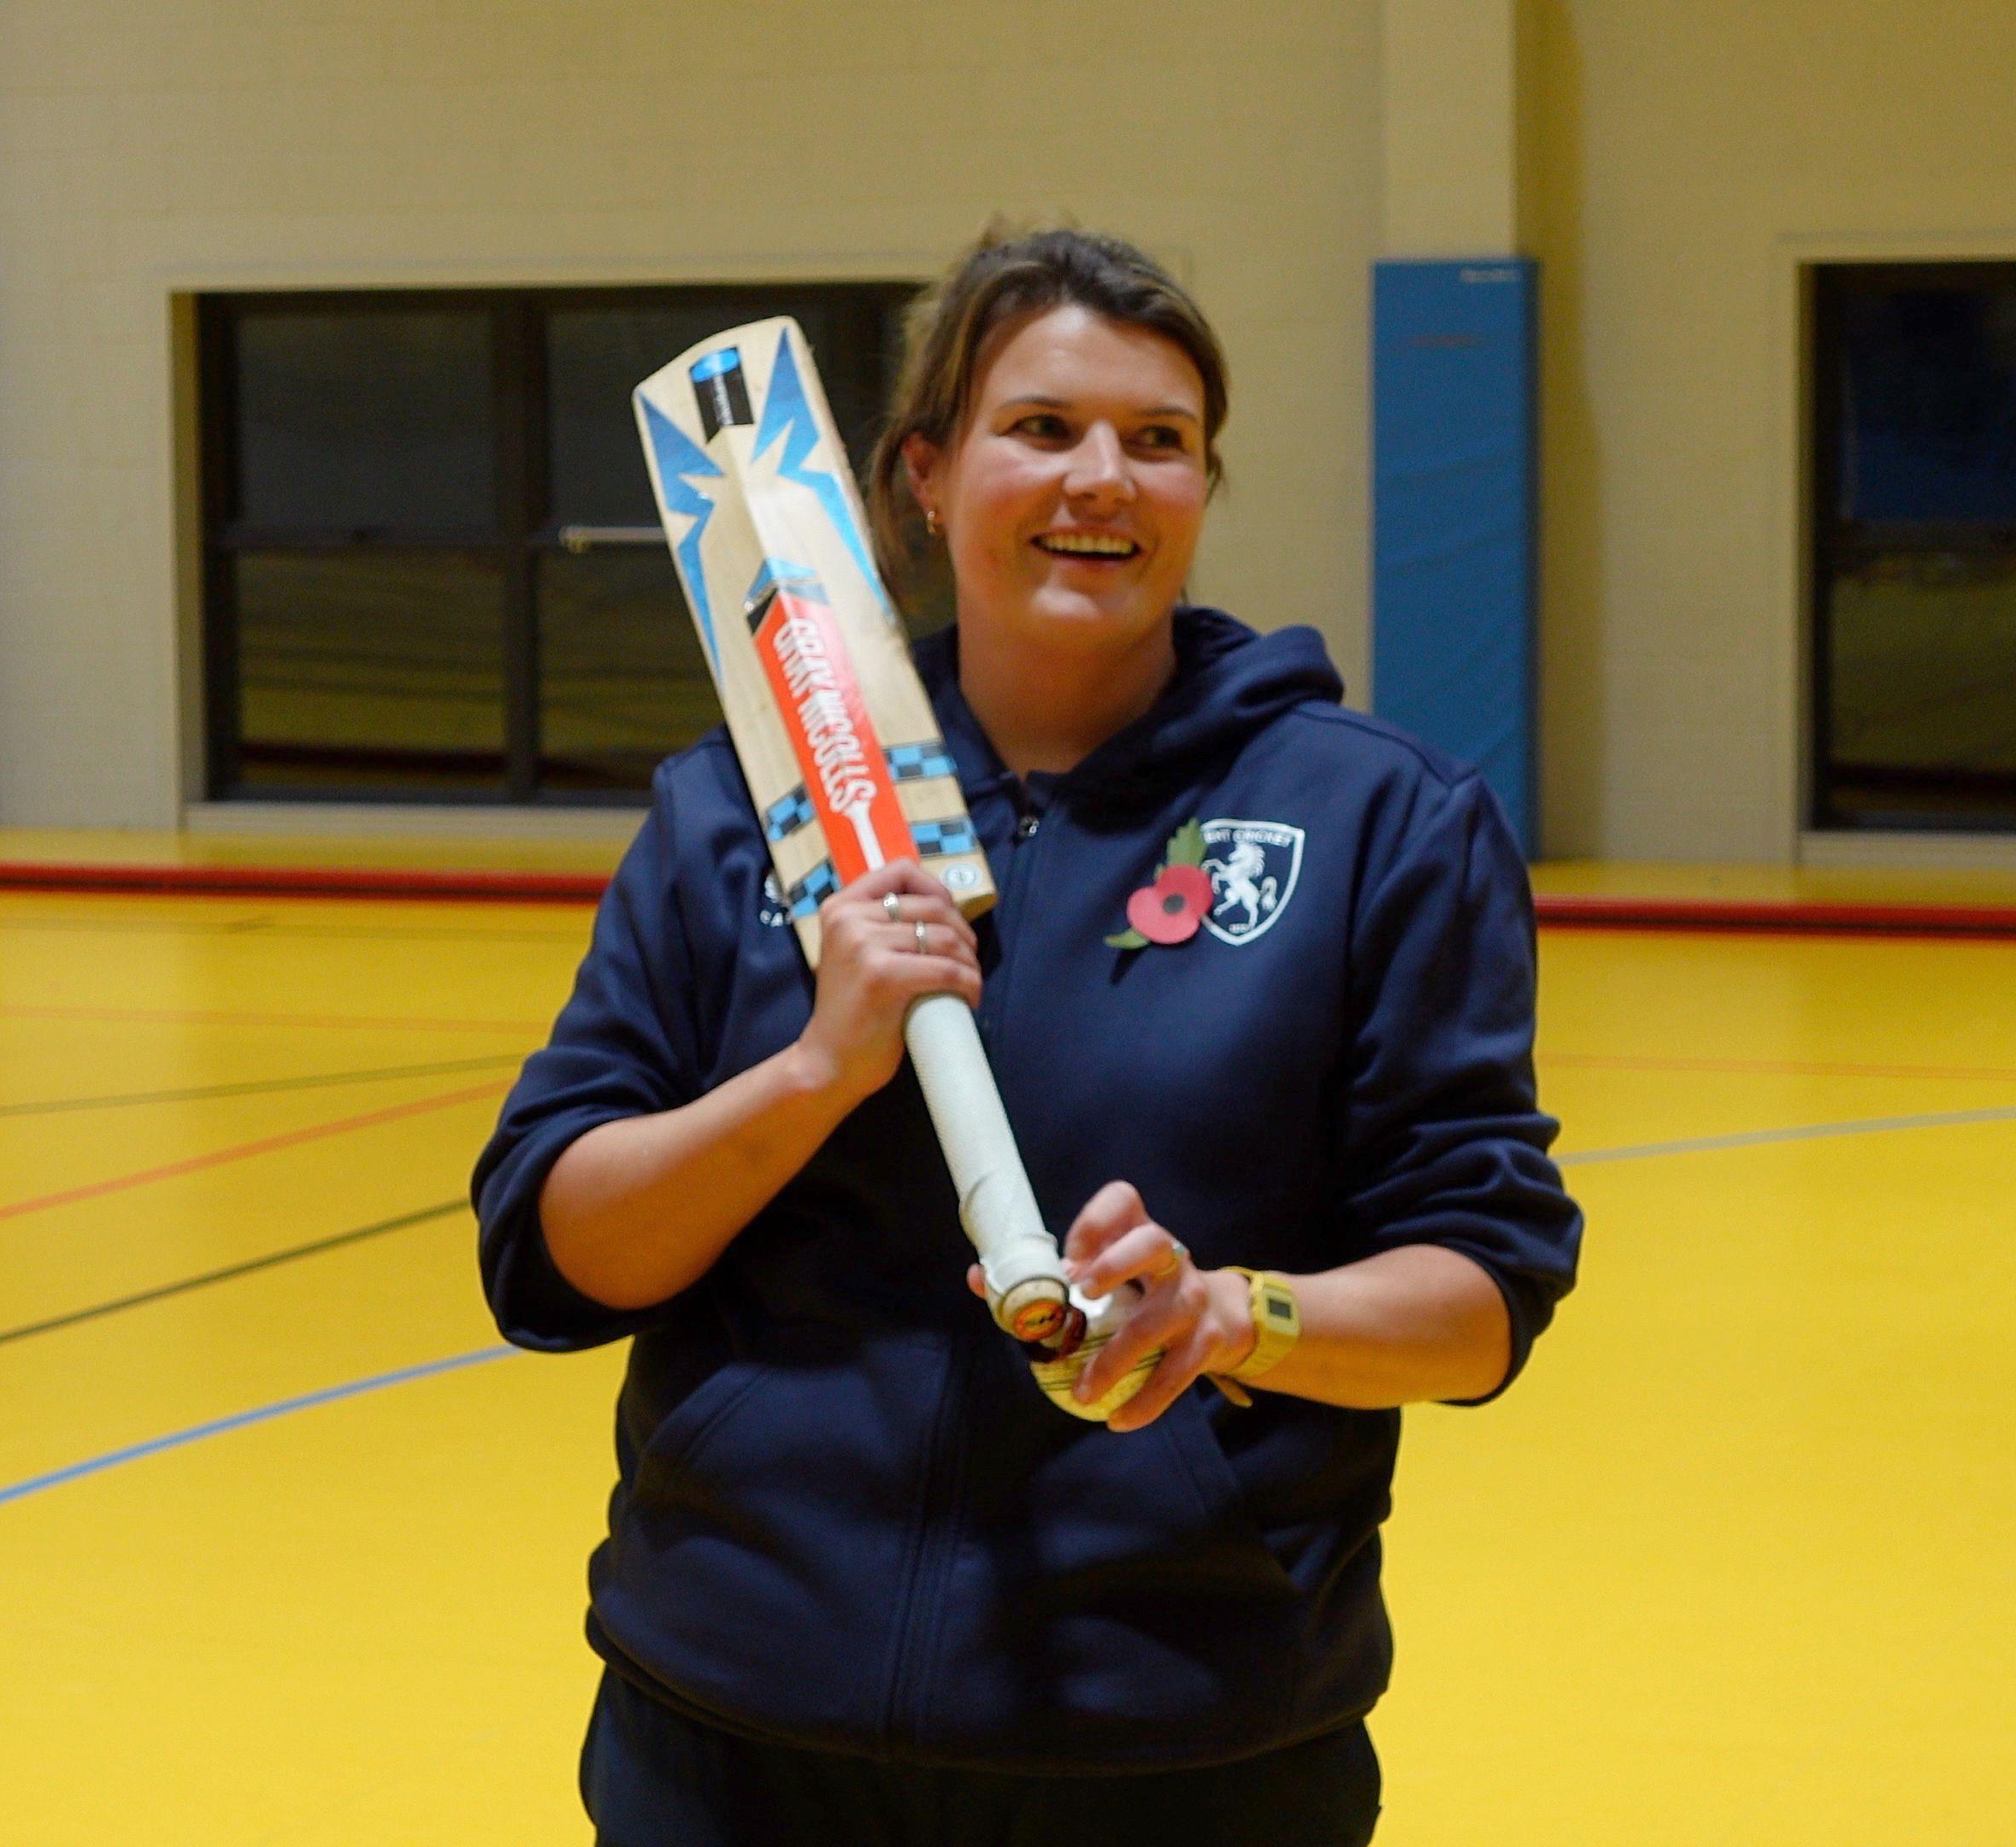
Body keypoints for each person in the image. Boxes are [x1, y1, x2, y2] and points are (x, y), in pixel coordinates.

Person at [473, 227, 1582, 1846]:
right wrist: (813, 1070)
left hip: (1176, 1745)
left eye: (1160, 441)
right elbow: (552, 1257)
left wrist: (1226, 1317)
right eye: (1042, 428)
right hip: (733, 1729)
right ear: (923, 474)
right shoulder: (733, 812)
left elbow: (1484, 1297)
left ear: (1206, 486)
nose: (1102, 481)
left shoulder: (1376, 823)